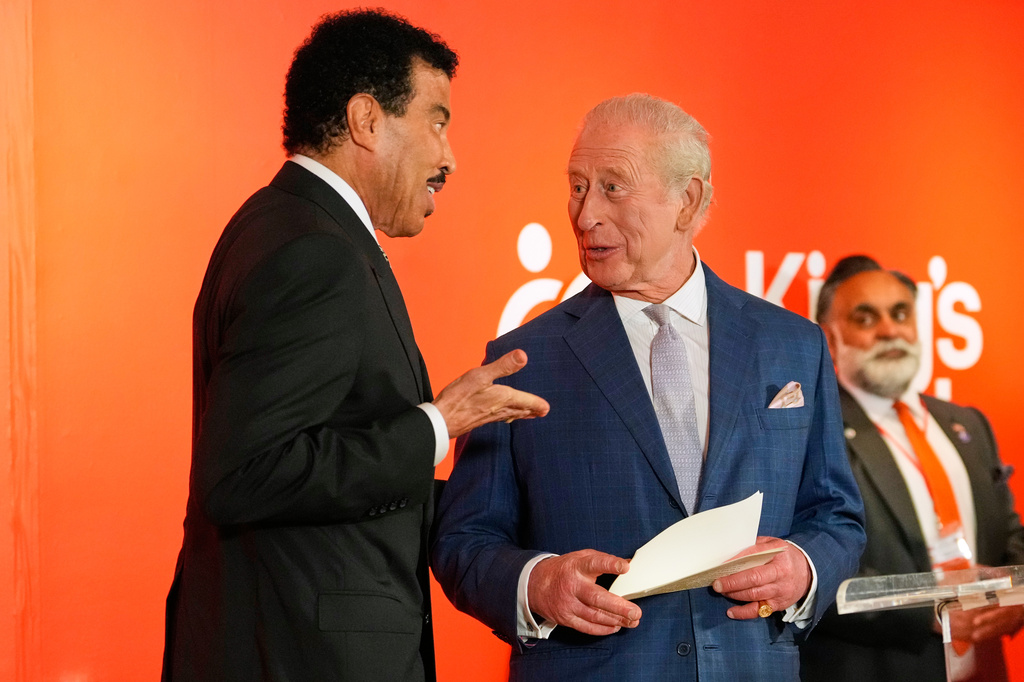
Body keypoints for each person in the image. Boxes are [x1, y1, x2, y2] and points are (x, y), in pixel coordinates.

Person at [160, 10, 549, 682]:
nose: (449, 156)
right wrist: (438, 424)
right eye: (437, 119)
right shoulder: (314, 252)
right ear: (367, 121)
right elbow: (248, 474)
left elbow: (319, 467)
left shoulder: (290, 226)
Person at [430, 94, 865, 681]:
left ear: (687, 199)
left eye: (613, 187)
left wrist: (805, 568)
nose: (585, 216)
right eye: (578, 187)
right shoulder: (523, 361)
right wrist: (537, 584)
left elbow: (837, 514)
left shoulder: (793, 344)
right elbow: (465, 540)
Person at [801, 255, 1024, 682]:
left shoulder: (968, 424)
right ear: (830, 339)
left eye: (900, 313)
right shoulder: (813, 433)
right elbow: (813, 572)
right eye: (865, 318)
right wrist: (929, 614)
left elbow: (1008, 532)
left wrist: (1017, 600)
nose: (889, 330)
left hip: (986, 668)